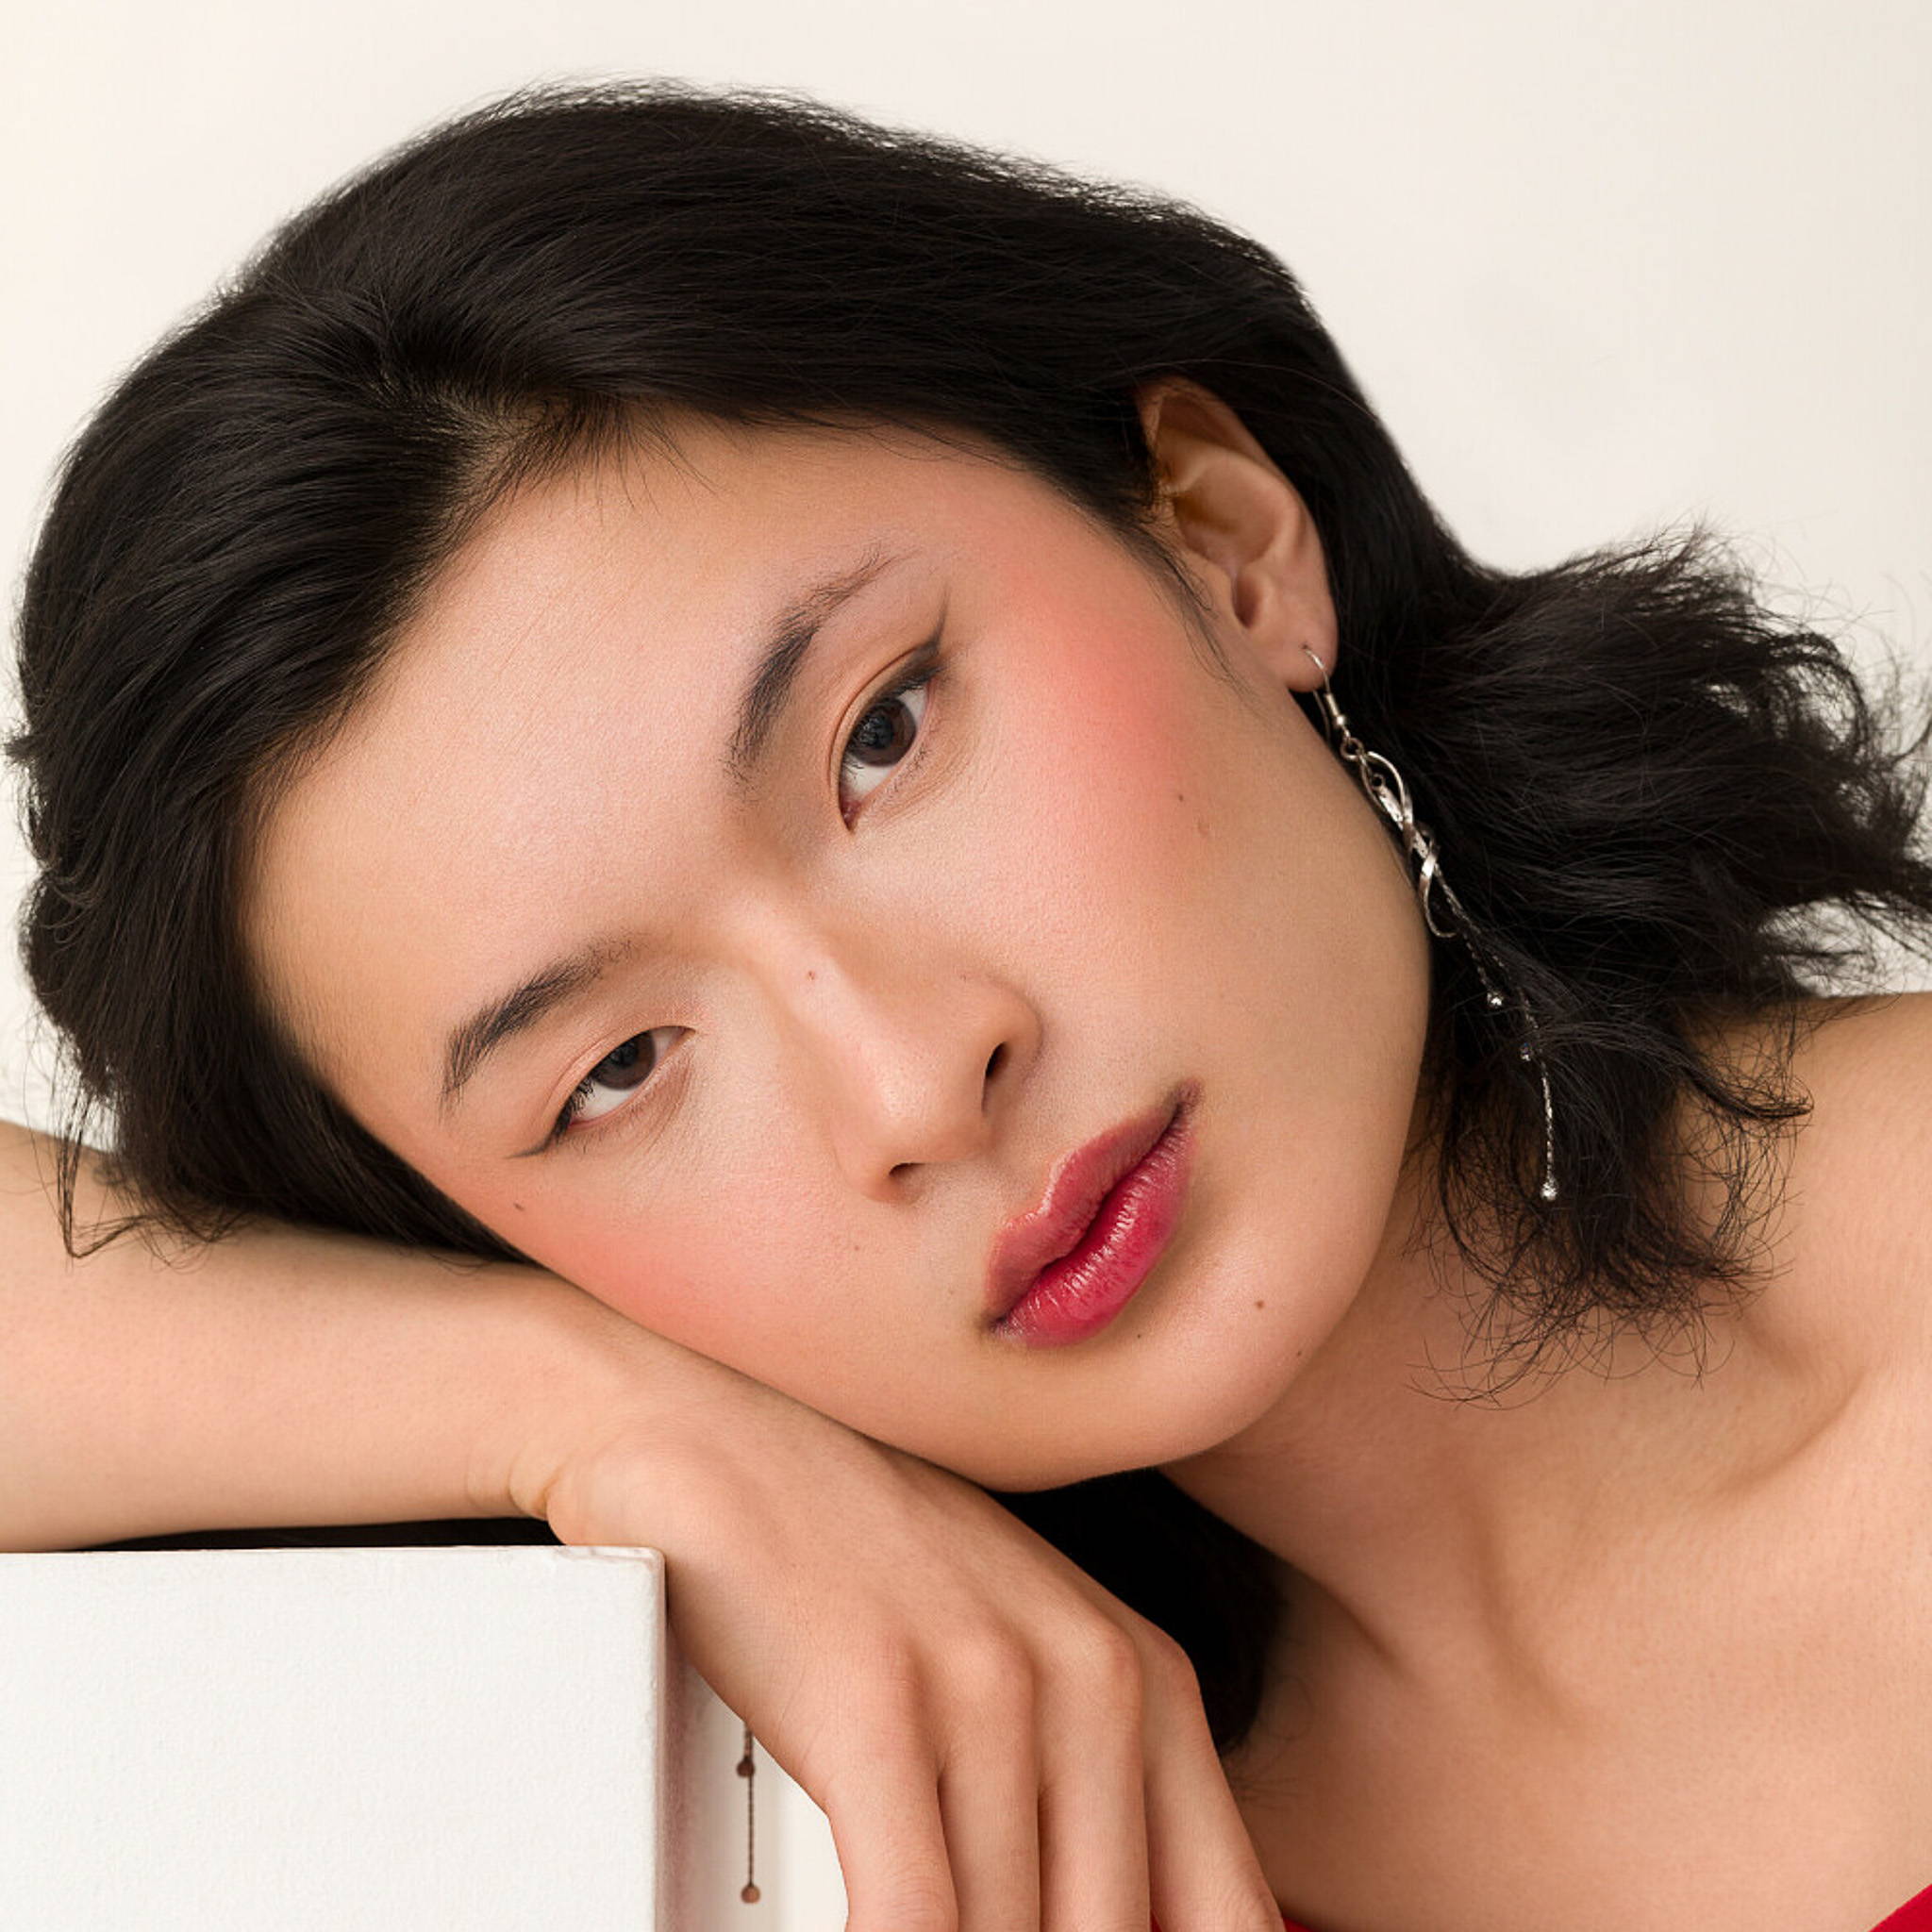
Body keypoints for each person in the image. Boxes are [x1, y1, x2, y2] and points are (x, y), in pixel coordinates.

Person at [8, 76, 1932, 1931]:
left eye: (884, 733)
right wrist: (577, 1408)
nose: (917, 1079)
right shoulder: (940, 1821)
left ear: (1221, 531)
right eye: (617, 1072)